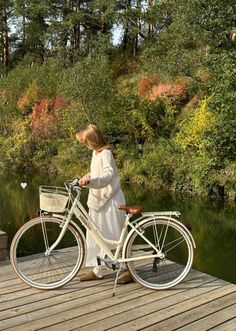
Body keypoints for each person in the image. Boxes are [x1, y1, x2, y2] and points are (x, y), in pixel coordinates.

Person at [76, 124, 132, 283]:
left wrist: (91, 180)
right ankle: (97, 269)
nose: (85, 145)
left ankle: (129, 269)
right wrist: (85, 177)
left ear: (92, 141)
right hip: (98, 200)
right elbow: (95, 173)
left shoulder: (106, 154)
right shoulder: (95, 154)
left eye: (86, 142)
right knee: (96, 235)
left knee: (117, 235)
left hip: (111, 200)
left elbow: (108, 175)